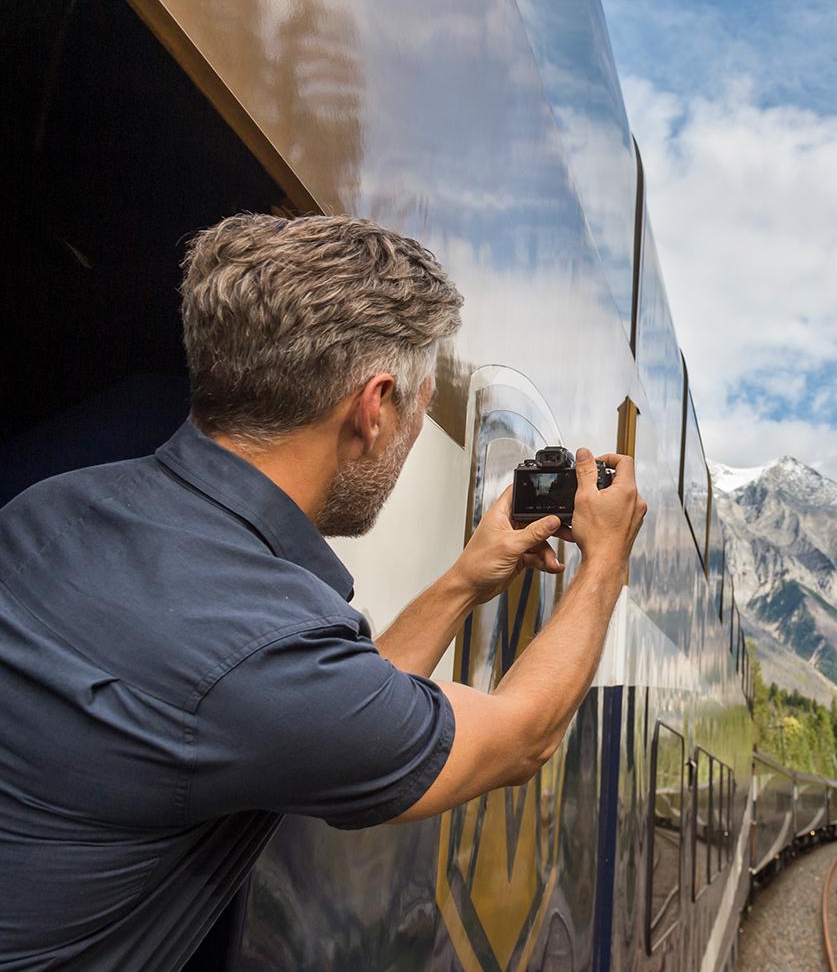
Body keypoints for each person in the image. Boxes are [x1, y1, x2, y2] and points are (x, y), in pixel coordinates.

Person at [0, 214, 647, 970]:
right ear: (373, 408)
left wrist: (467, 579)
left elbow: (333, 700)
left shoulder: (50, 507)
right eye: (416, 405)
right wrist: (603, 561)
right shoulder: (261, 650)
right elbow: (520, 736)